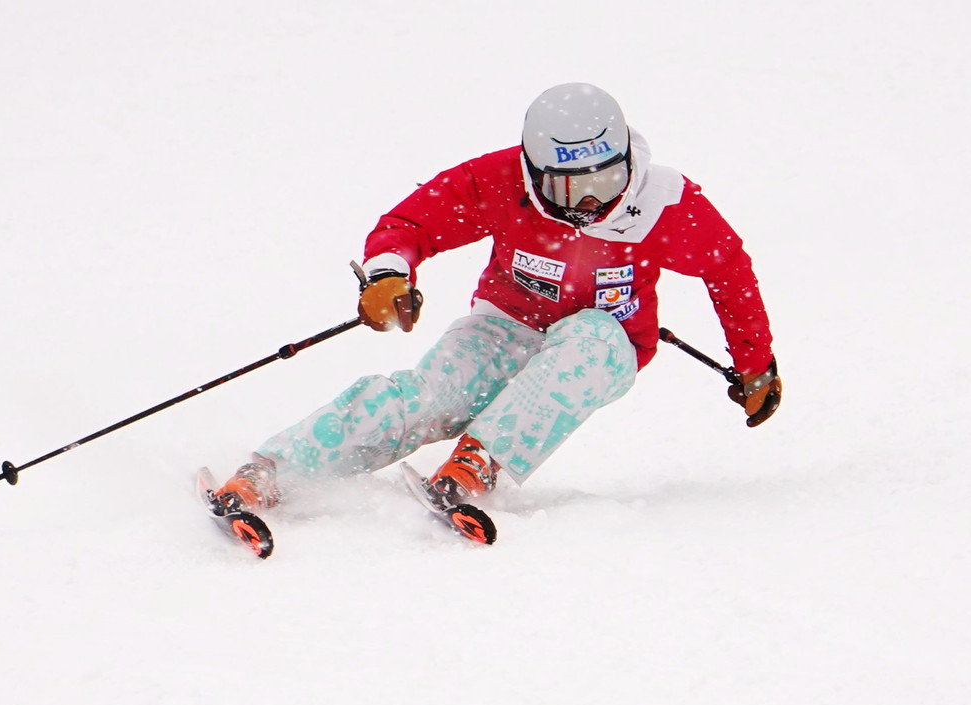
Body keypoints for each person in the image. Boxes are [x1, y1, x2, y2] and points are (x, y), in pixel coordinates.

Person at [213, 82, 780, 518]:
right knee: (433, 396)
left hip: (605, 340)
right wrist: (388, 276)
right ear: (535, 171)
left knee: (591, 340)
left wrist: (755, 364)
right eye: (566, 187)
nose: (588, 202)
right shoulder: (502, 180)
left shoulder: (662, 203)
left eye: (604, 181)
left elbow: (729, 271)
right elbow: (411, 222)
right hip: (506, 323)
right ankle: (274, 472)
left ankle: (479, 463)